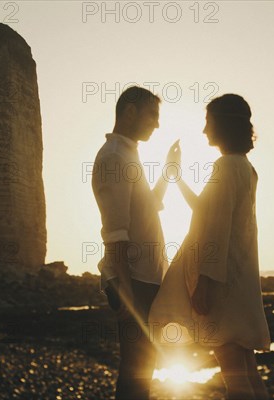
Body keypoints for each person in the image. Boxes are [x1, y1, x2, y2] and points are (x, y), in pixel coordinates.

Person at [149, 94, 271, 400]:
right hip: (238, 281)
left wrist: (204, 283)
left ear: (223, 124)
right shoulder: (243, 167)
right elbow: (207, 212)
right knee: (246, 371)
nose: (204, 130)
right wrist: (176, 179)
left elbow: (215, 231)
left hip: (222, 285)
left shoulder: (226, 167)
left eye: (208, 121)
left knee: (236, 378)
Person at [91, 86, 179, 400]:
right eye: (152, 115)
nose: (157, 124)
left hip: (144, 279)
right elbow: (115, 232)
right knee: (135, 371)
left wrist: (168, 173)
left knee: (142, 369)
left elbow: (146, 208)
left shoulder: (127, 153)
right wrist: (126, 292)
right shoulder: (115, 156)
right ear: (130, 112)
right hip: (135, 280)